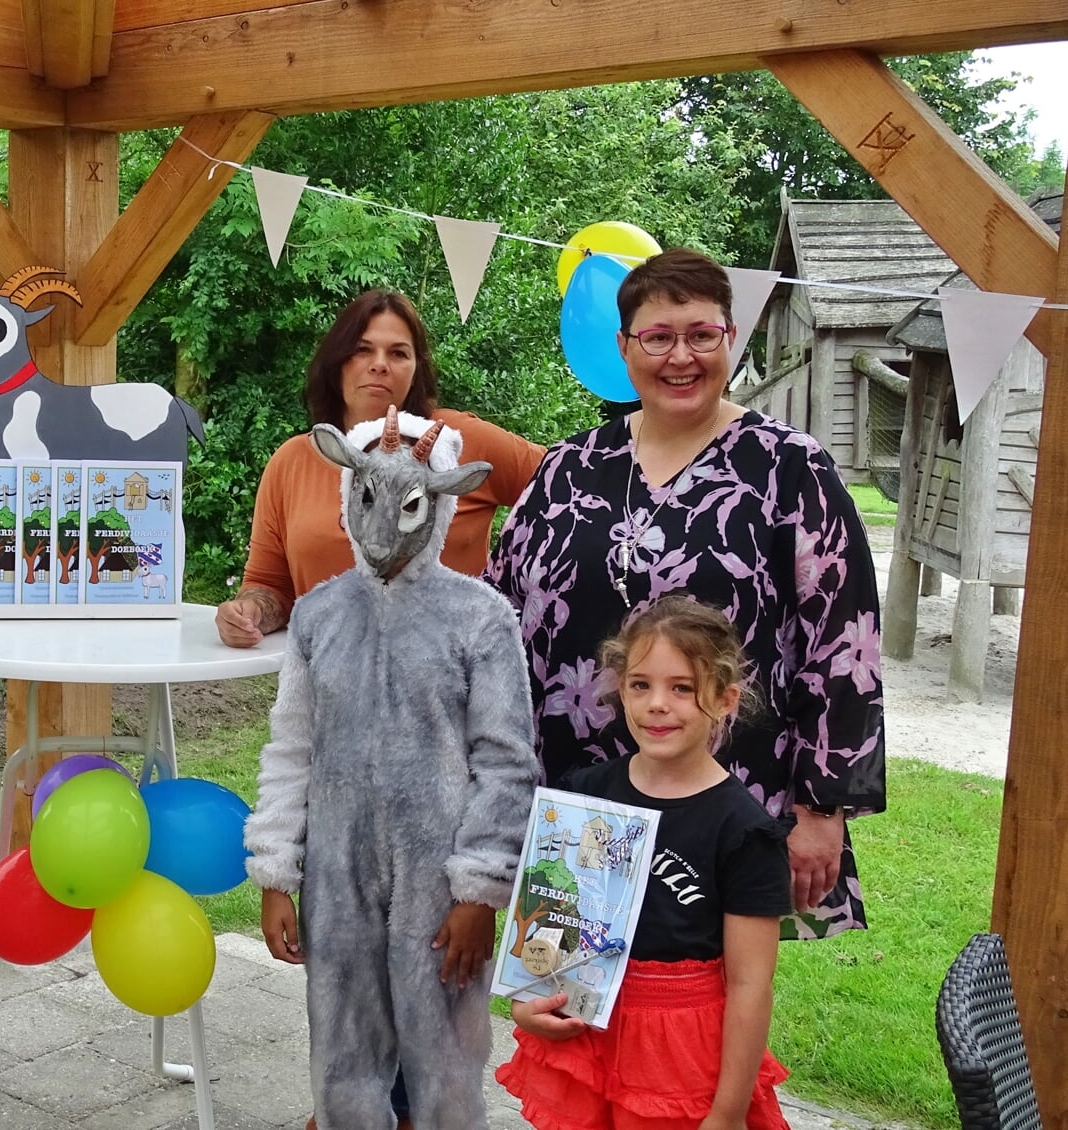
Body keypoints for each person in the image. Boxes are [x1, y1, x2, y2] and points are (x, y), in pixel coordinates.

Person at [487, 247, 885, 939]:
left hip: (726, 796)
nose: (681, 357)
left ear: (730, 338)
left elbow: (843, 642)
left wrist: (822, 810)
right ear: (623, 347)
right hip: (576, 801)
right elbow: (493, 621)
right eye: (658, 337)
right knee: (570, 989)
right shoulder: (569, 469)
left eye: (702, 334)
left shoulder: (788, 467)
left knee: (697, 1006)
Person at [245, 408, 539, 1129]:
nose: (383, 529)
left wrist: (480, 886)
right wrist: (277, 871)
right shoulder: (319, 616)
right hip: (338, 877)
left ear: (438, 502)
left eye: (407, 504)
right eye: (368, 499)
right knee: (341, 1049)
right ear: (348, 492)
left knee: (444, 1058)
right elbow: (292, 748)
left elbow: (506, 762)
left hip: (439, 882)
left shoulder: (481, 619)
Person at [496, 595, 793, 1130]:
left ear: (725, 699)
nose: (657, 703)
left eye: (682, 687)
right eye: (640, 684)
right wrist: (530, 1001)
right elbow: (553, 920)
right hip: (587, 1024)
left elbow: (751, 984)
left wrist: (726, 1114)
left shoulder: (745, 830)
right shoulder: (585, 796)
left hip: (678, 1051)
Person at [215, 288, 544, 649]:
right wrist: (249, 612)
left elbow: (573, 485)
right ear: (336, 362)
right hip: (335, 691)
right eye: (362, 349)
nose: (380, 364)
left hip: (450, 690)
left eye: (398, 353)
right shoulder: (293, 462)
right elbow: (271, 585)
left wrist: (527, 588)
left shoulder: (457, 442)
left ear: (417, 369)